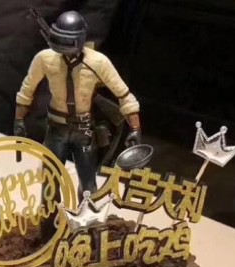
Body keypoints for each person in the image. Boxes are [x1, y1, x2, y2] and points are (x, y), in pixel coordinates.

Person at [14, 10, 142, 200]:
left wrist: (135, 128)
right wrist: (19, 119)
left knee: (88, 185)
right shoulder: (45, 58)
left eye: (68, 41)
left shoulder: (97, 62)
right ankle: (49, 218)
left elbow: (124, 96)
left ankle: (86, 217)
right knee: (50, 183)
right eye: (59, 39)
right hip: (56, 128)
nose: (63, 46)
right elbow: (27, 91)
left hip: (84, 132)